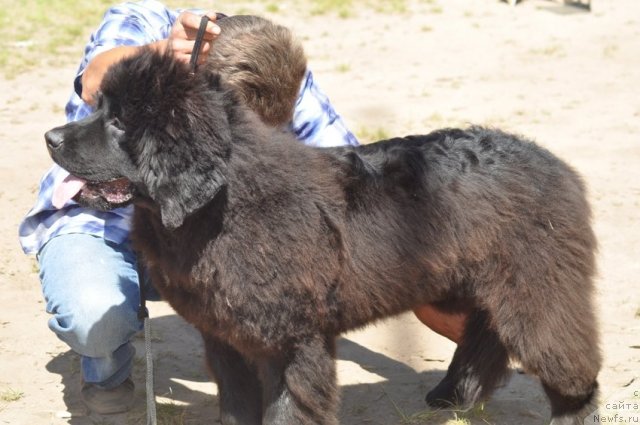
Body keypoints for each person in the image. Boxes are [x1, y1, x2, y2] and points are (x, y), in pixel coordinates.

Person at [19, 0, 466, 415]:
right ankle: (107, 375)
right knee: (94, 312)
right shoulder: (140, 20)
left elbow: (355, 194)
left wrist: (424, 288)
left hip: (195, 241)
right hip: (103, 228)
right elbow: (97, 78)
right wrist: (159, 56)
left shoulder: (279, 75)